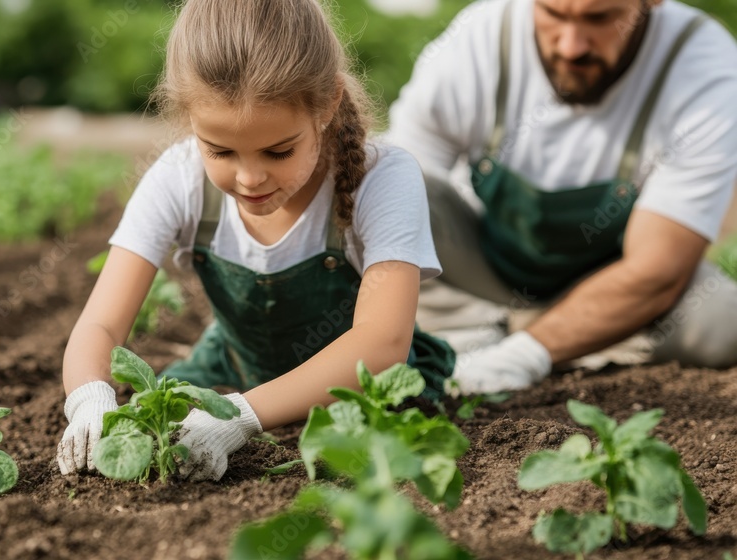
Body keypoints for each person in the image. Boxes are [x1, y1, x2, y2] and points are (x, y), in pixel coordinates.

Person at [56, 0, 454, 482]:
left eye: (279, 150)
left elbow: (382, 342)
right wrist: (90, 397)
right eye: (220, 151)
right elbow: (99, 325)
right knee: (149, 434)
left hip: (363, 395)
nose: (249, 178)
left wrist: (241, 417)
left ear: (328, 103)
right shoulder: (179, 180)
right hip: (231, 373)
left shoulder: (384, 178)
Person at [386, 0, 737, 395]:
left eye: (599, 18)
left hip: (608, 282)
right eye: (552, 13)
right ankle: (524, 333)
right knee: (388, 181)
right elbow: (394, 193)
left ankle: (502, 336)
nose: (571, 47)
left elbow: (657, 271)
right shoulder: (482, 37)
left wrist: (525, 354)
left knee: (718, 321)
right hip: (483, 270)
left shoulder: (702, 68)